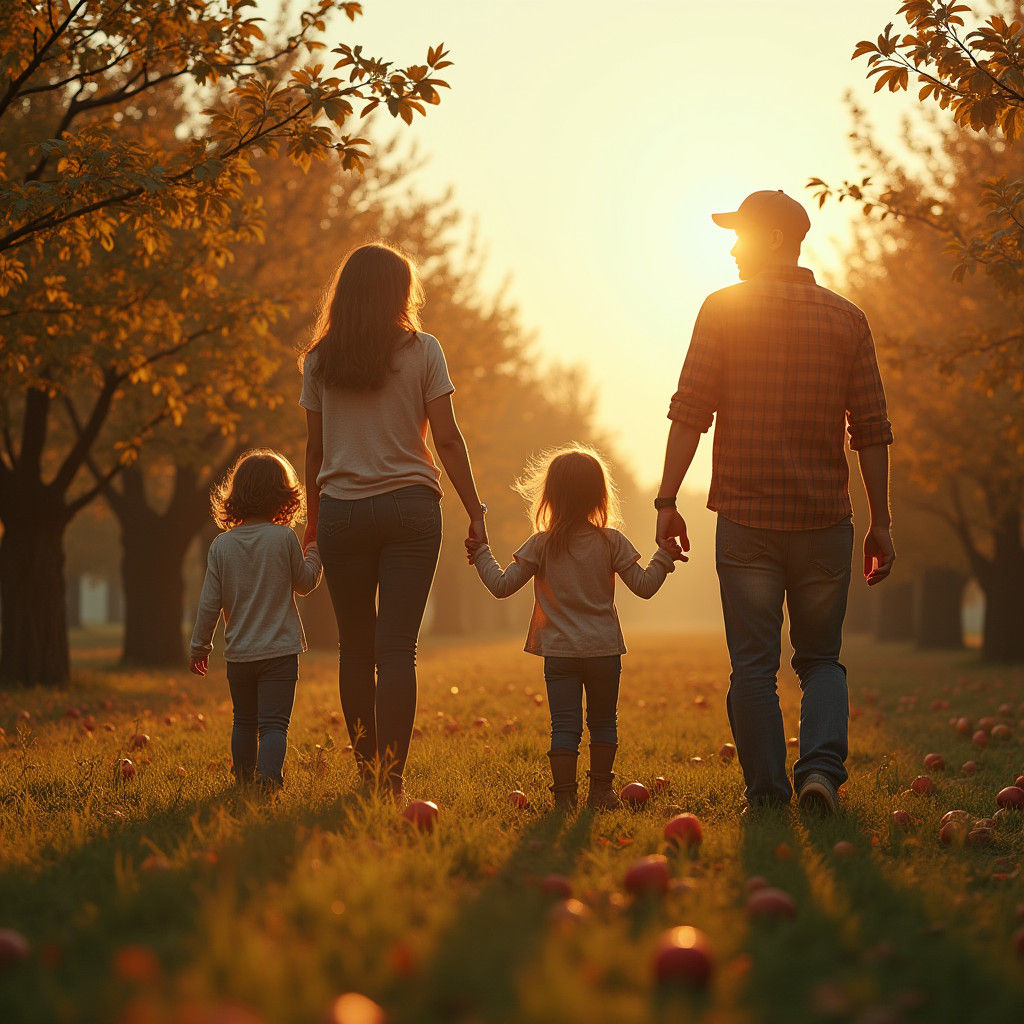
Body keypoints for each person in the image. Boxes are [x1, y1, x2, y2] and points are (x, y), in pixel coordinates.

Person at [655, 189, 895, 816]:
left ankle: (765, 795)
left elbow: (689, 412)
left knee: (754, 667)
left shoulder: (723, 310)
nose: (733, 249)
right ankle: (819, 772)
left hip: (747, 520)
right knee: (821, 662)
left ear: (773, 240)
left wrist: (666, 498)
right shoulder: (848, 319)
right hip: (823, 522)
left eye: (741, 235)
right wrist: (882, 524)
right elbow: (871, 428)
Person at [300, 243, 486, 799]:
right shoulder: (423, 350)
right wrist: (475, 509)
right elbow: (447, 439)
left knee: (355, 649)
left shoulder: (320, 359)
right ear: (399, 292)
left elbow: (314, 451)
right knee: (396, 649)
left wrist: (313, 522)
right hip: (410, 507)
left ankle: (366, 775)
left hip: (341, 511)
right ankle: (392, 779)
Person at [467, 446, 681, 809]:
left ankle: (564, 799)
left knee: (564, 727)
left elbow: (502, 586)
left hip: (560, 653)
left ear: (550, 495)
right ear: (599, 495)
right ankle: (602, 792)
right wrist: (664, 555)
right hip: (604, 652)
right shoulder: (611, 541)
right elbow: (645, 587)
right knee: (603, 723)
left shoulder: (542, 544)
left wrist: (481, 553)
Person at [189, 449, 323, 789]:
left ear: (237, 495)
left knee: (244, 721)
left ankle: (244, 781)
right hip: (279, 651)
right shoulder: (283, 539)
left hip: (240, 653)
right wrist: (314, 552)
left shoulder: (221, 546)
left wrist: (199, 646)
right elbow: (305, 584)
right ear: (285, 495)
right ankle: (269, 780)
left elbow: (209, 604)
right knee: (274, 725)